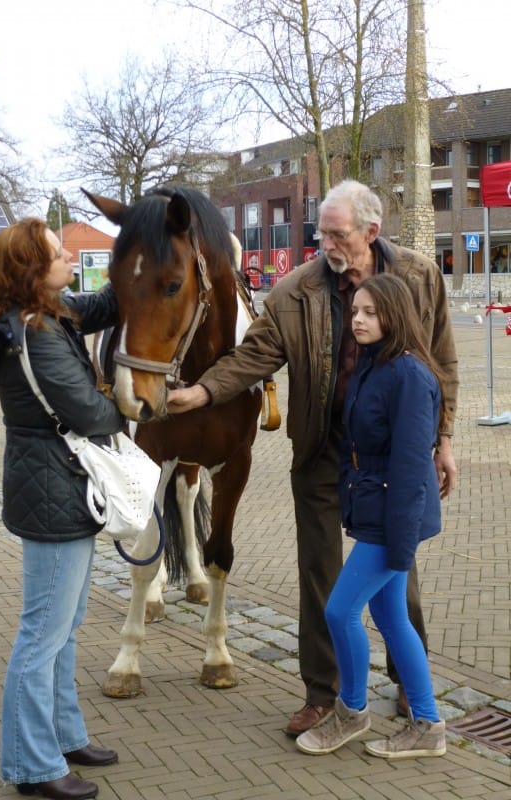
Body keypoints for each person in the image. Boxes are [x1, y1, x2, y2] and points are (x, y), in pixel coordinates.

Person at [166, 179, 458, 736]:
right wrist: (202, 392)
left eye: (336, 233)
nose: (324, 241)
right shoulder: (294, 291)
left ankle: (407, 681)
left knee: (399, 566)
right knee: (319, 572)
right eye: (320, 231)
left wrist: (443, 439)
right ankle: (323, 693)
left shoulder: (419, 276)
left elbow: (441, 360)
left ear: (371, 233)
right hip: (323, 447)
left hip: (395, 455)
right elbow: (254, 356)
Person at [0, 219, 125, 800]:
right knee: (42, 634)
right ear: (31, 271)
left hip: (58, 485)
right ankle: (32, 765)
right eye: (56, 253)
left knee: (64, 627)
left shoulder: (47, 311)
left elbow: (96, 307)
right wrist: (141, 404)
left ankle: (64, 735)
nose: (69, 256)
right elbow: (90, 415)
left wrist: (134, 252)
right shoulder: (36, 334)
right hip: (54, 490)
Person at [296, 273, 447, 759]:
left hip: (393, 515)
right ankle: (427, 724)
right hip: (375, 507)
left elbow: (409, 466)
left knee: (340, 610)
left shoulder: (410, 376)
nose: (357, 321)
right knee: (391, 616)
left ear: (394, 316)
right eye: (355, 312)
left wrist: (400, 544)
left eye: (370, 313)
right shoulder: (370, 364)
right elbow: (356, 446)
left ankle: (352, 710)